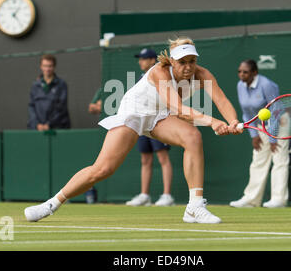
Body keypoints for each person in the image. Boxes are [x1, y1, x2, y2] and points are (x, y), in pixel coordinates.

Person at [24, 37, 243, 224]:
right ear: (172, 61)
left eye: (192, 61)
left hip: (160, 115)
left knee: (192, 136)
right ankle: (51, 204)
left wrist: (232, 121)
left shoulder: (202, 75)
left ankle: (194, 206)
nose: (188, 67)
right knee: (102, 170)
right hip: (135, 112)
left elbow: (221, 101)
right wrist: (212, 121)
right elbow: (179, 109)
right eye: (182, 62)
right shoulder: (160, 71)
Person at [229, 59, 289, 209]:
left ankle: (279, 199)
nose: (241, 74)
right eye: (239, 71)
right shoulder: (240, 86)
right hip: (259, 125)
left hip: (278, 122)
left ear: (254, 73)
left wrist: (272, 137)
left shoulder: (266, 85)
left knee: (279, 159)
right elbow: (246, 112)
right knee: (258, 160)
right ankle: (251, 199)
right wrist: (253, 135)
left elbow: (275, 109)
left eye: (245, 72)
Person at [125, 48, 175, 207]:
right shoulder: (141, 78)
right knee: (145, 159)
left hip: (159, 121)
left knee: (163, 158)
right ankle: (144, 195)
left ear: (153, 60)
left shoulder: (163, 75)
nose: (141, 61)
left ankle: (167, 196)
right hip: (142, 123)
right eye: (140, 58)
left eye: (144, 58)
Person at [28, 54, 71, 131]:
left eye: (50, 66)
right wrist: (37, 124)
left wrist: (49, 124)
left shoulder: (61, 84)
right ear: (41, 66)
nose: (47, 69)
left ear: (54, 67)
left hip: (57, 129)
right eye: (45, 66)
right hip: (37, 129)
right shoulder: (35, 85)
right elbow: (31, 106)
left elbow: (62, 108)